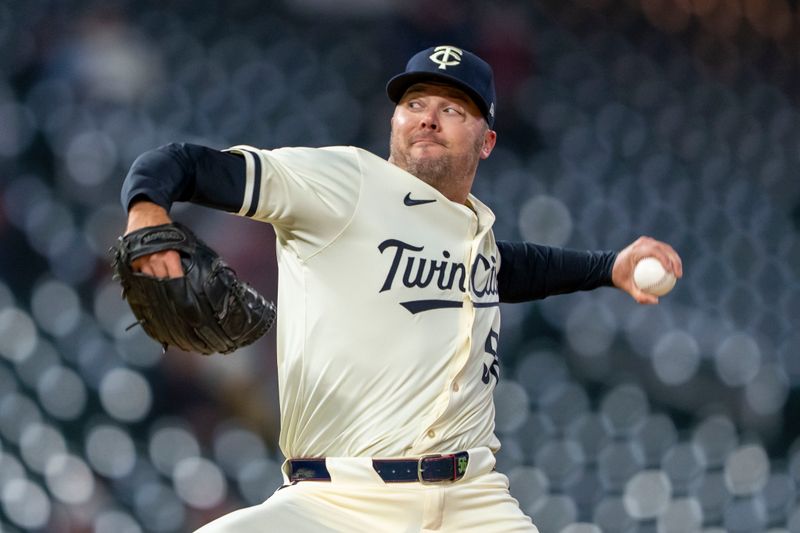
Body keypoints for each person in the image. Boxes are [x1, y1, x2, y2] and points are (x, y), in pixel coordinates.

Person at [121, 45, 682, 532]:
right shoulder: (343, 183)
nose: (427, 118)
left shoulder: (473, 234)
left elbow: (514, 267)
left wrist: (610, 266)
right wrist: (147, 207)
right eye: (414, 104)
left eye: (451, 108)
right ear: (393, 120)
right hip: (336, 500)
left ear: (486, 142)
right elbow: (185, 162)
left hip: (473, 500)